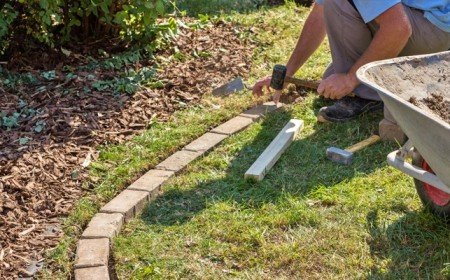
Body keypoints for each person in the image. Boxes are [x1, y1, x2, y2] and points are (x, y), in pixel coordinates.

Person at [253, 0, 450, 122]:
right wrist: (288, 72)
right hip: (434, 25)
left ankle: (366, 94)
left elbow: (399, 28)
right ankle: (373, 77)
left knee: (339, 2)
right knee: (330, 77)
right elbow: (319, 15)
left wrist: (349, 79)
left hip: (430, 31)